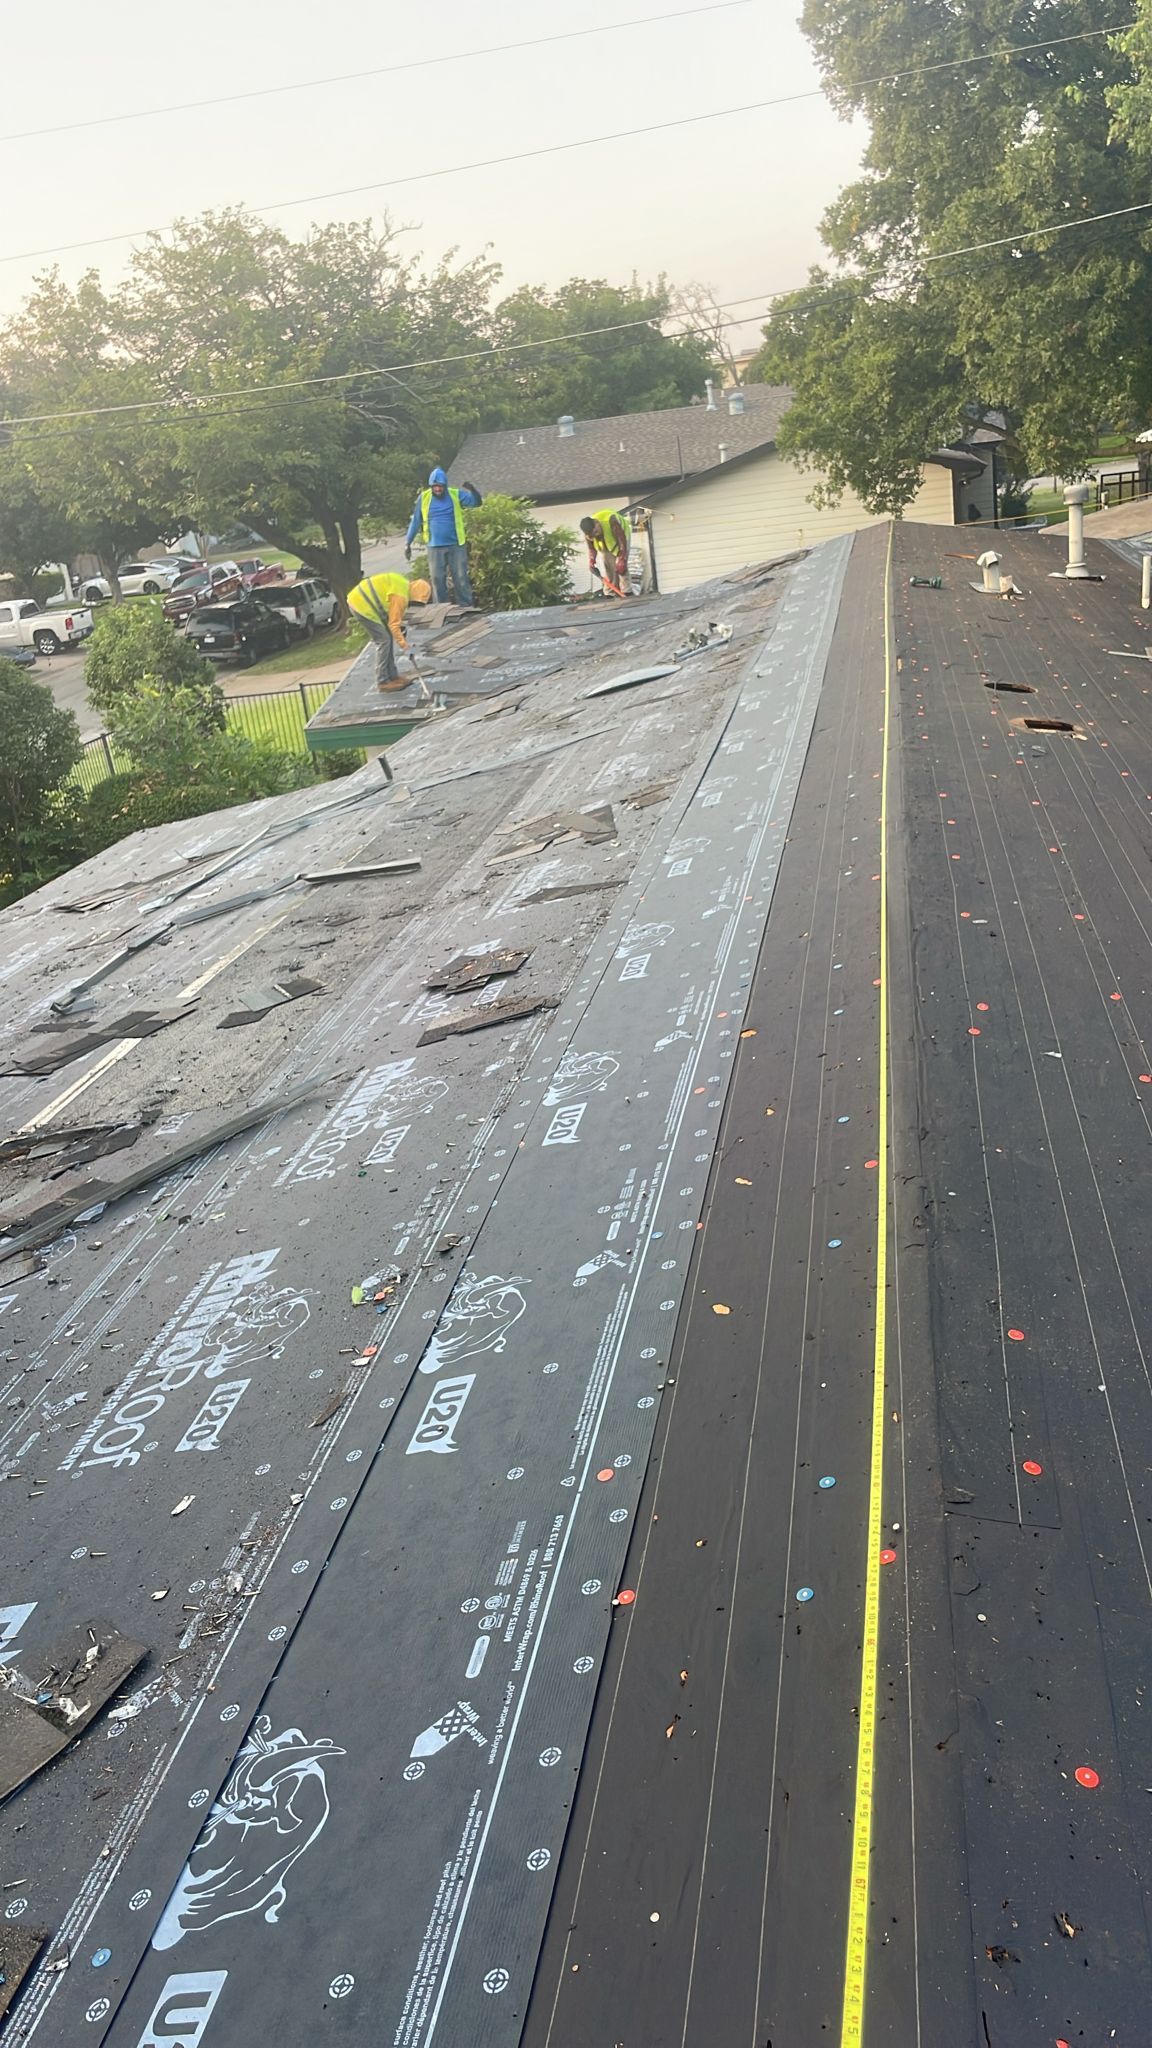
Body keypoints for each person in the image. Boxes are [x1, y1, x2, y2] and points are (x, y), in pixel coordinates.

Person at [405, 467, 483, 606]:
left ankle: (466, 606)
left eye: (440, 486)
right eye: (435, 487)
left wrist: (473, 490)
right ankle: (441, 608)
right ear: (431, 486)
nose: (438, 490)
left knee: (460, 577)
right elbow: (416, 520)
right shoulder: (424, 498)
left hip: (456, 545)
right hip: (434, 546)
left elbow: (477, 503)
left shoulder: (455, 494)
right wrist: (408, 542)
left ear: (445, 485)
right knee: (437, 579)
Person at [347, 571, 431, 690]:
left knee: (388, 638)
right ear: (416, 594)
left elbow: (391, 613)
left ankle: (393, 676)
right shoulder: (400, 597)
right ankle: (382, 681)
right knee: (384, 640)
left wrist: (400, 631)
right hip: (361, 605)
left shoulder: (403, 585)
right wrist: (405, 646)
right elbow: (394, 624)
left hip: (362, 600)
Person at [580, 509, 632, 595]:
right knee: (608, 566)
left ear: (597, 523)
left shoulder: (611, 520)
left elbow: (621, 541)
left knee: (621, 567)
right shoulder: (588, 533)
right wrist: (592, 562)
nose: (595, 535)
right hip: (607, 543)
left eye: (596, 532)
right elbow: (592, 549)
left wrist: (622, 558)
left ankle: (627, 591)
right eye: (593, 535)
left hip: (622, 537)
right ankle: (611, 592)